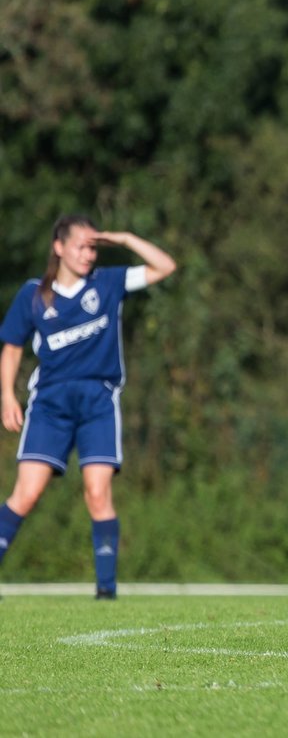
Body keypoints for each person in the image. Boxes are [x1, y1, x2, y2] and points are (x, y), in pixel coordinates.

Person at [0, 215, 177, 599]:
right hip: (49, 403)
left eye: (93, 247)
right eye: (81, 245)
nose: (88, 254)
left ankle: (106, 592)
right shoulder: (34, 293)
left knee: (97, 493)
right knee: (26, 494)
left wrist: (126, 237)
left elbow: (166, 267)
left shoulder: (108, 284)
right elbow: (12, 346)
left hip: (98, 399)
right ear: (59, 247)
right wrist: (7, 395)